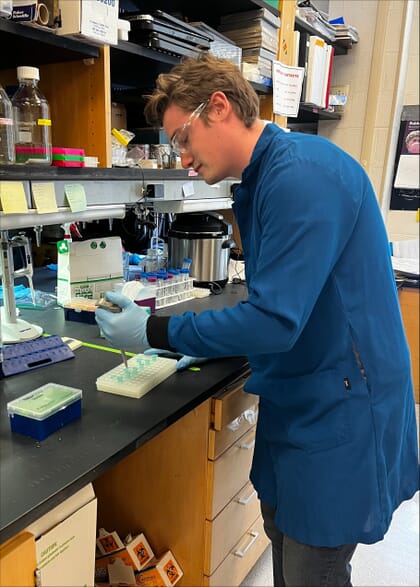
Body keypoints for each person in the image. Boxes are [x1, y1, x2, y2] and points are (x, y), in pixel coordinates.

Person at [96, 53, 419, 586]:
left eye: (182, 139)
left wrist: (158, 331)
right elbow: (281, 303)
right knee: (286, 549)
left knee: (313, 569)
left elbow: (273, 320)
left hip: (342, 407)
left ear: (218, 107)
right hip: (302, 395)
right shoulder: (264, 178)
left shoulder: (302, 177)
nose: (181, 159)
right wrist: (193, 343)